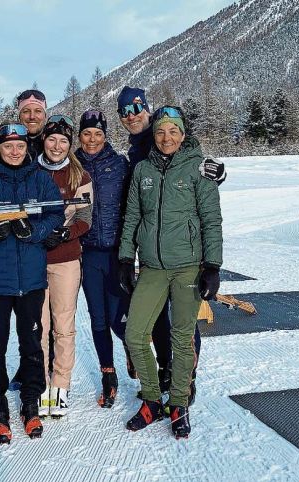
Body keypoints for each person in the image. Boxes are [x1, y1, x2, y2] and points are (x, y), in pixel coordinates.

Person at [116, 86, 226, 404]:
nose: (132, 115)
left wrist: (212, 265)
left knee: (182, 327)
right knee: (151, 324)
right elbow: (135, 211)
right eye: (125, 111)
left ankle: (184, 382)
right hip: (152, 256)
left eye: (137, 109)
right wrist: (127, 257)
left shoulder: (190, 157)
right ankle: (164, 373)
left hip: (184, 258)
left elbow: (209, 214)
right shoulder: (138, 159)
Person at [0, 123, 64, 444]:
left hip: (31, 281)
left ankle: (31, 402)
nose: (15, 152)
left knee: (32, 345)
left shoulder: (41, 180)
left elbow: (55, 216)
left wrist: (32, 232)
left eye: (19, 146)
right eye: (8, 146)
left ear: (26, 148)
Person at [35, 115, 93, 417]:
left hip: (66, 259)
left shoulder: (78, 175)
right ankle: (41, 384)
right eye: (52, 139)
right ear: (44, 140)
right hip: (35, 259)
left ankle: (60, 384)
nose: (57, 145)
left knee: (63, 324)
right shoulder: (31, 171)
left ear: (70, 145)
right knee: (39, 326)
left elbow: (85, 218)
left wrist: (65, 233)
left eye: (63, 141)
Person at [74, 109, 131, 409]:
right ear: (80, 136)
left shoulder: (120, 164)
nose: (92, 139)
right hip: (88, 253)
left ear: (105, 136)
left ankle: (133, 350)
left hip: (116, 253)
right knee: (97, 318)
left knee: (118, 320)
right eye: (87, 133)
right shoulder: (73, 164)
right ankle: (109, 376)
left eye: (98, 134)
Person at [16, 89, 48, 159]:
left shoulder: (55, 146)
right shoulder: (7, 147)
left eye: (38, 111)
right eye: (26, 111)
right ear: (19, 116)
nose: (32, 117)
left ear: (45, 116)